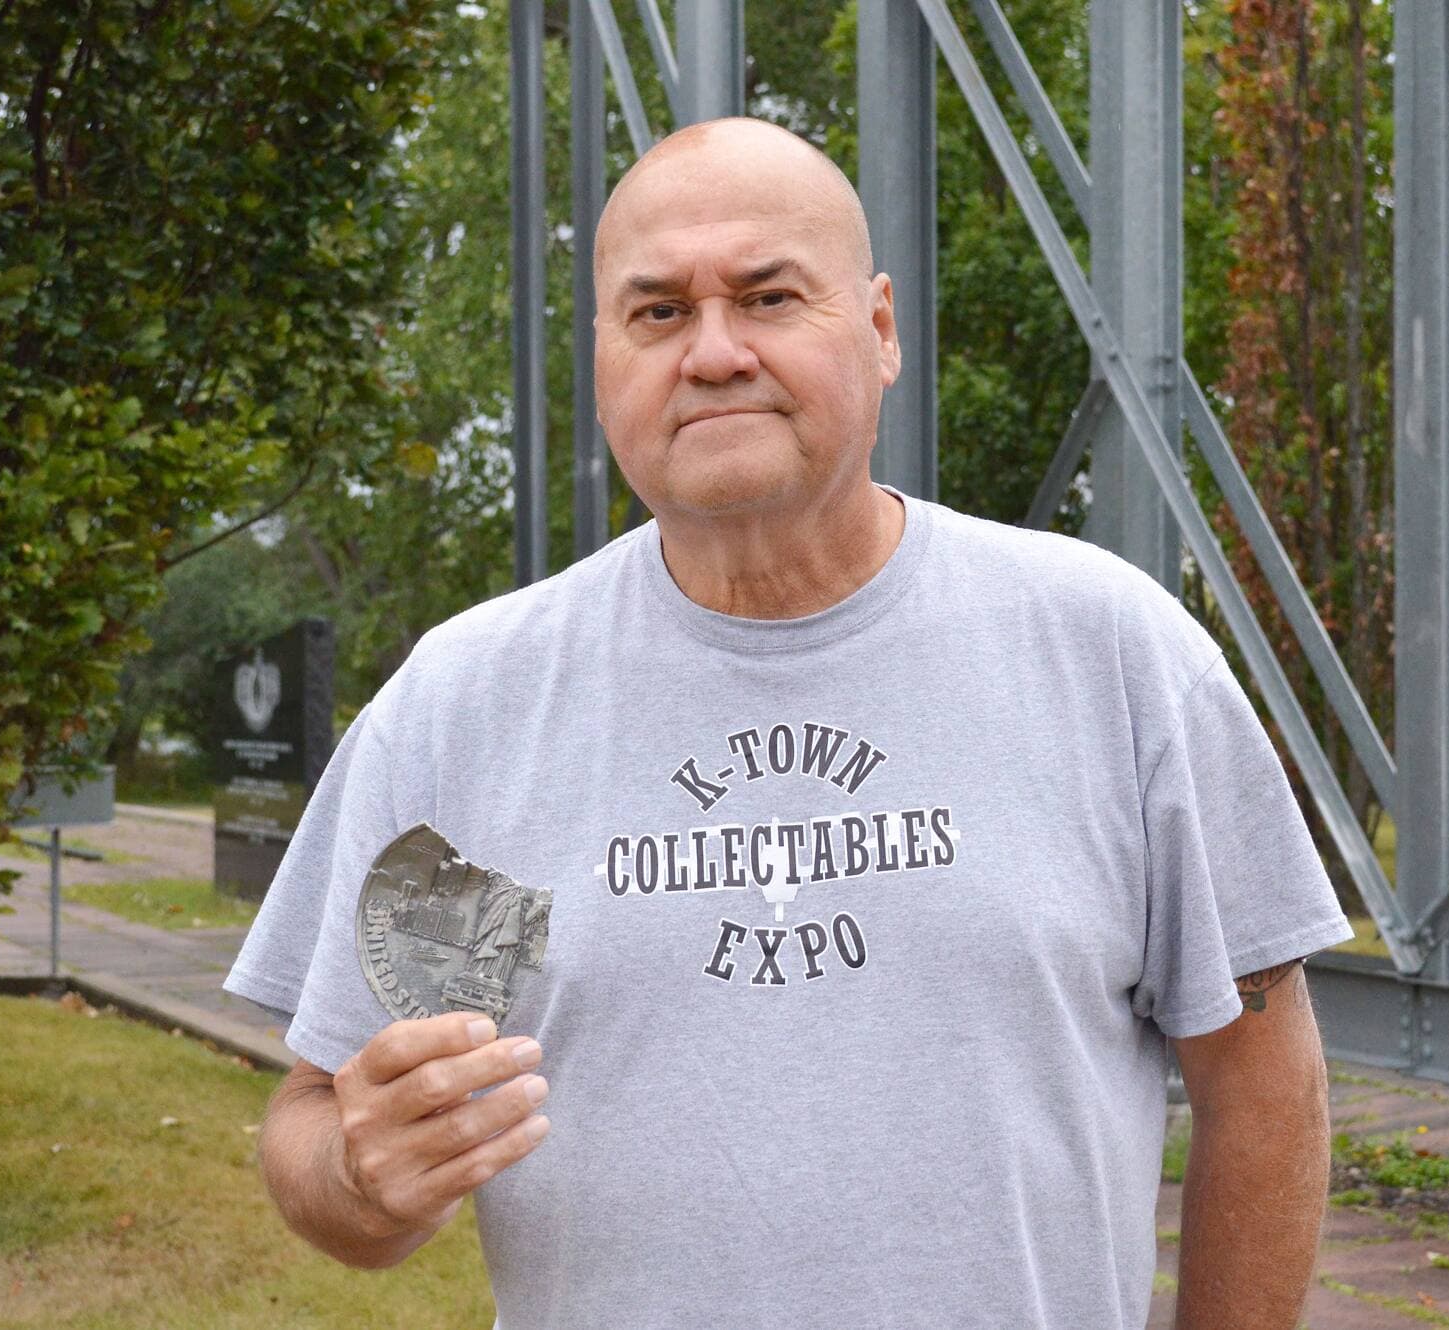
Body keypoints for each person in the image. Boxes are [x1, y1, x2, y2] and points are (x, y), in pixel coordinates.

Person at [225, 116, 1353, 1329]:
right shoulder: (476, 707)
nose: (712, 353)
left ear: (876, 331)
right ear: (602, 356)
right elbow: (315, 1114)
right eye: (656, 312)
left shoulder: (1101, 652)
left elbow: (1259, 1081)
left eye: (766, 297)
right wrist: (361, 1176)